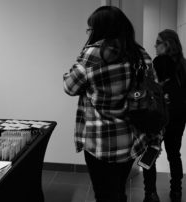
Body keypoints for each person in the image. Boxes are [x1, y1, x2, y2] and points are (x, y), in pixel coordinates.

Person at [63, 6, 161, 202]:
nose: (89, 33)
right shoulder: (141, 54)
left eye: (90, 29)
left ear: (100, 29)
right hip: (131, 139)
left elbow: (70, 87)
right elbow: (152, 92)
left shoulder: (92, 54)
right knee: (118, 190)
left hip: (101, 142)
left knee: (103, 194)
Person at [142, 29, 186, 202]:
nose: (155, 45)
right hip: (179, 117)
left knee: (150, 152)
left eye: (158, 42)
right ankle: (176, 190)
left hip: (159, 117)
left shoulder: (160, 61)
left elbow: (151, 87)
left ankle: (150, 193)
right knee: (174, 154)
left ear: (166, 44)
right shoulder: (183, 64)